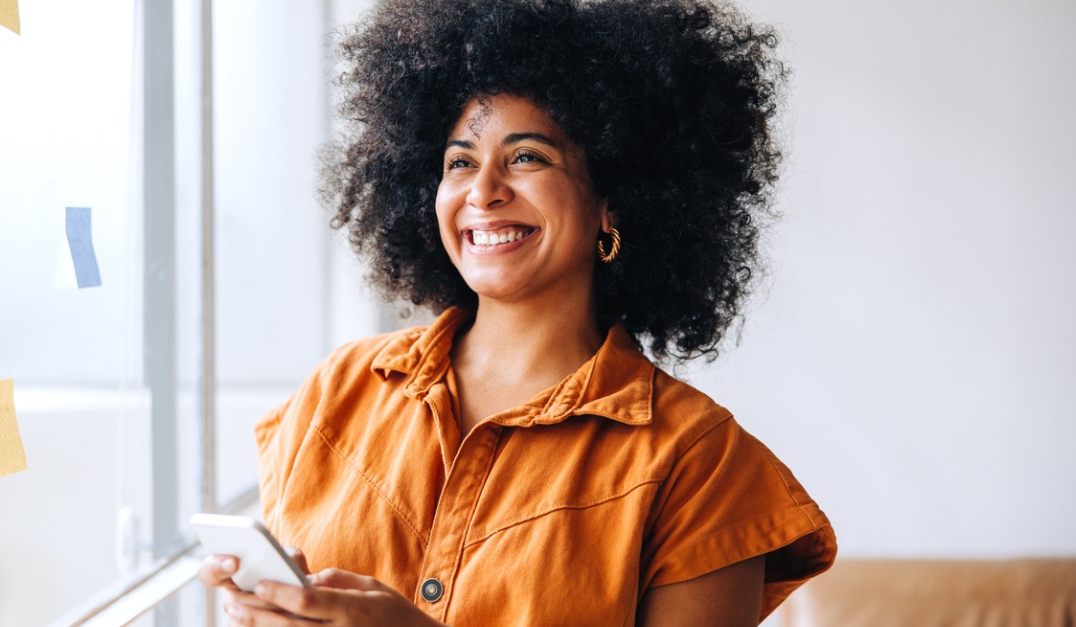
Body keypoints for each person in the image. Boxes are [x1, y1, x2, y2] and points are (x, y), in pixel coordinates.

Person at [199, 0, 836, 624]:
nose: (483, 191)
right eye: (460, 162)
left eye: (527, 156)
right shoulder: (339, 391)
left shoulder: (699, 465)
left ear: (613, 201)